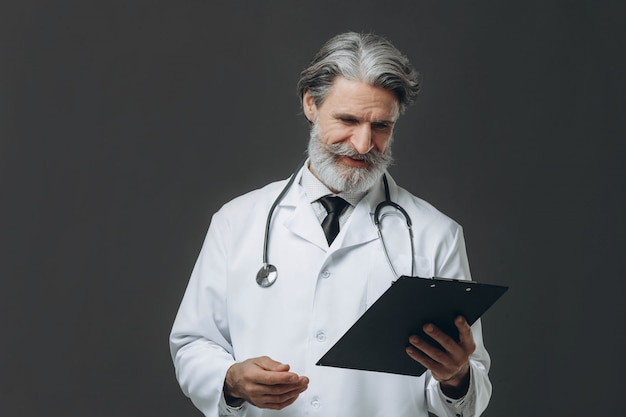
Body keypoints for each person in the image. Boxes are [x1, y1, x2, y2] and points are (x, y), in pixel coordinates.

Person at [170, 32, 492, 417]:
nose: (361, 144)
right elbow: (192, 345)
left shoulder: (435, 235)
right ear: (311, 103)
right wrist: (230, 380)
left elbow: (469, 397)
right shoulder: (236, 222)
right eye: (348, 120)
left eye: (381, 127)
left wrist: (455, 378)